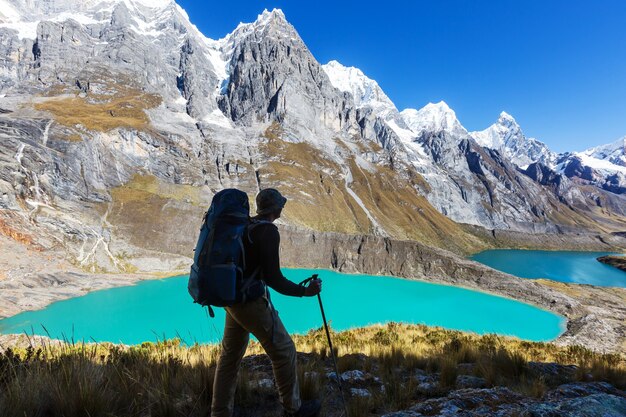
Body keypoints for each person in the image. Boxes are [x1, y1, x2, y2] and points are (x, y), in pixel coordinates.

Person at [211, 188, 323, 417]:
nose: (283, 206)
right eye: (281, 204)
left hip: (232, 299)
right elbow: (274, 279)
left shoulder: (246, 224)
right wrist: (305, 292)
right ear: (274, 208)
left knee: (229, 358)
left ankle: (219, 413)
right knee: (284, 350)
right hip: (250, 302)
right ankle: (293, 410)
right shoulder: (268, 232)